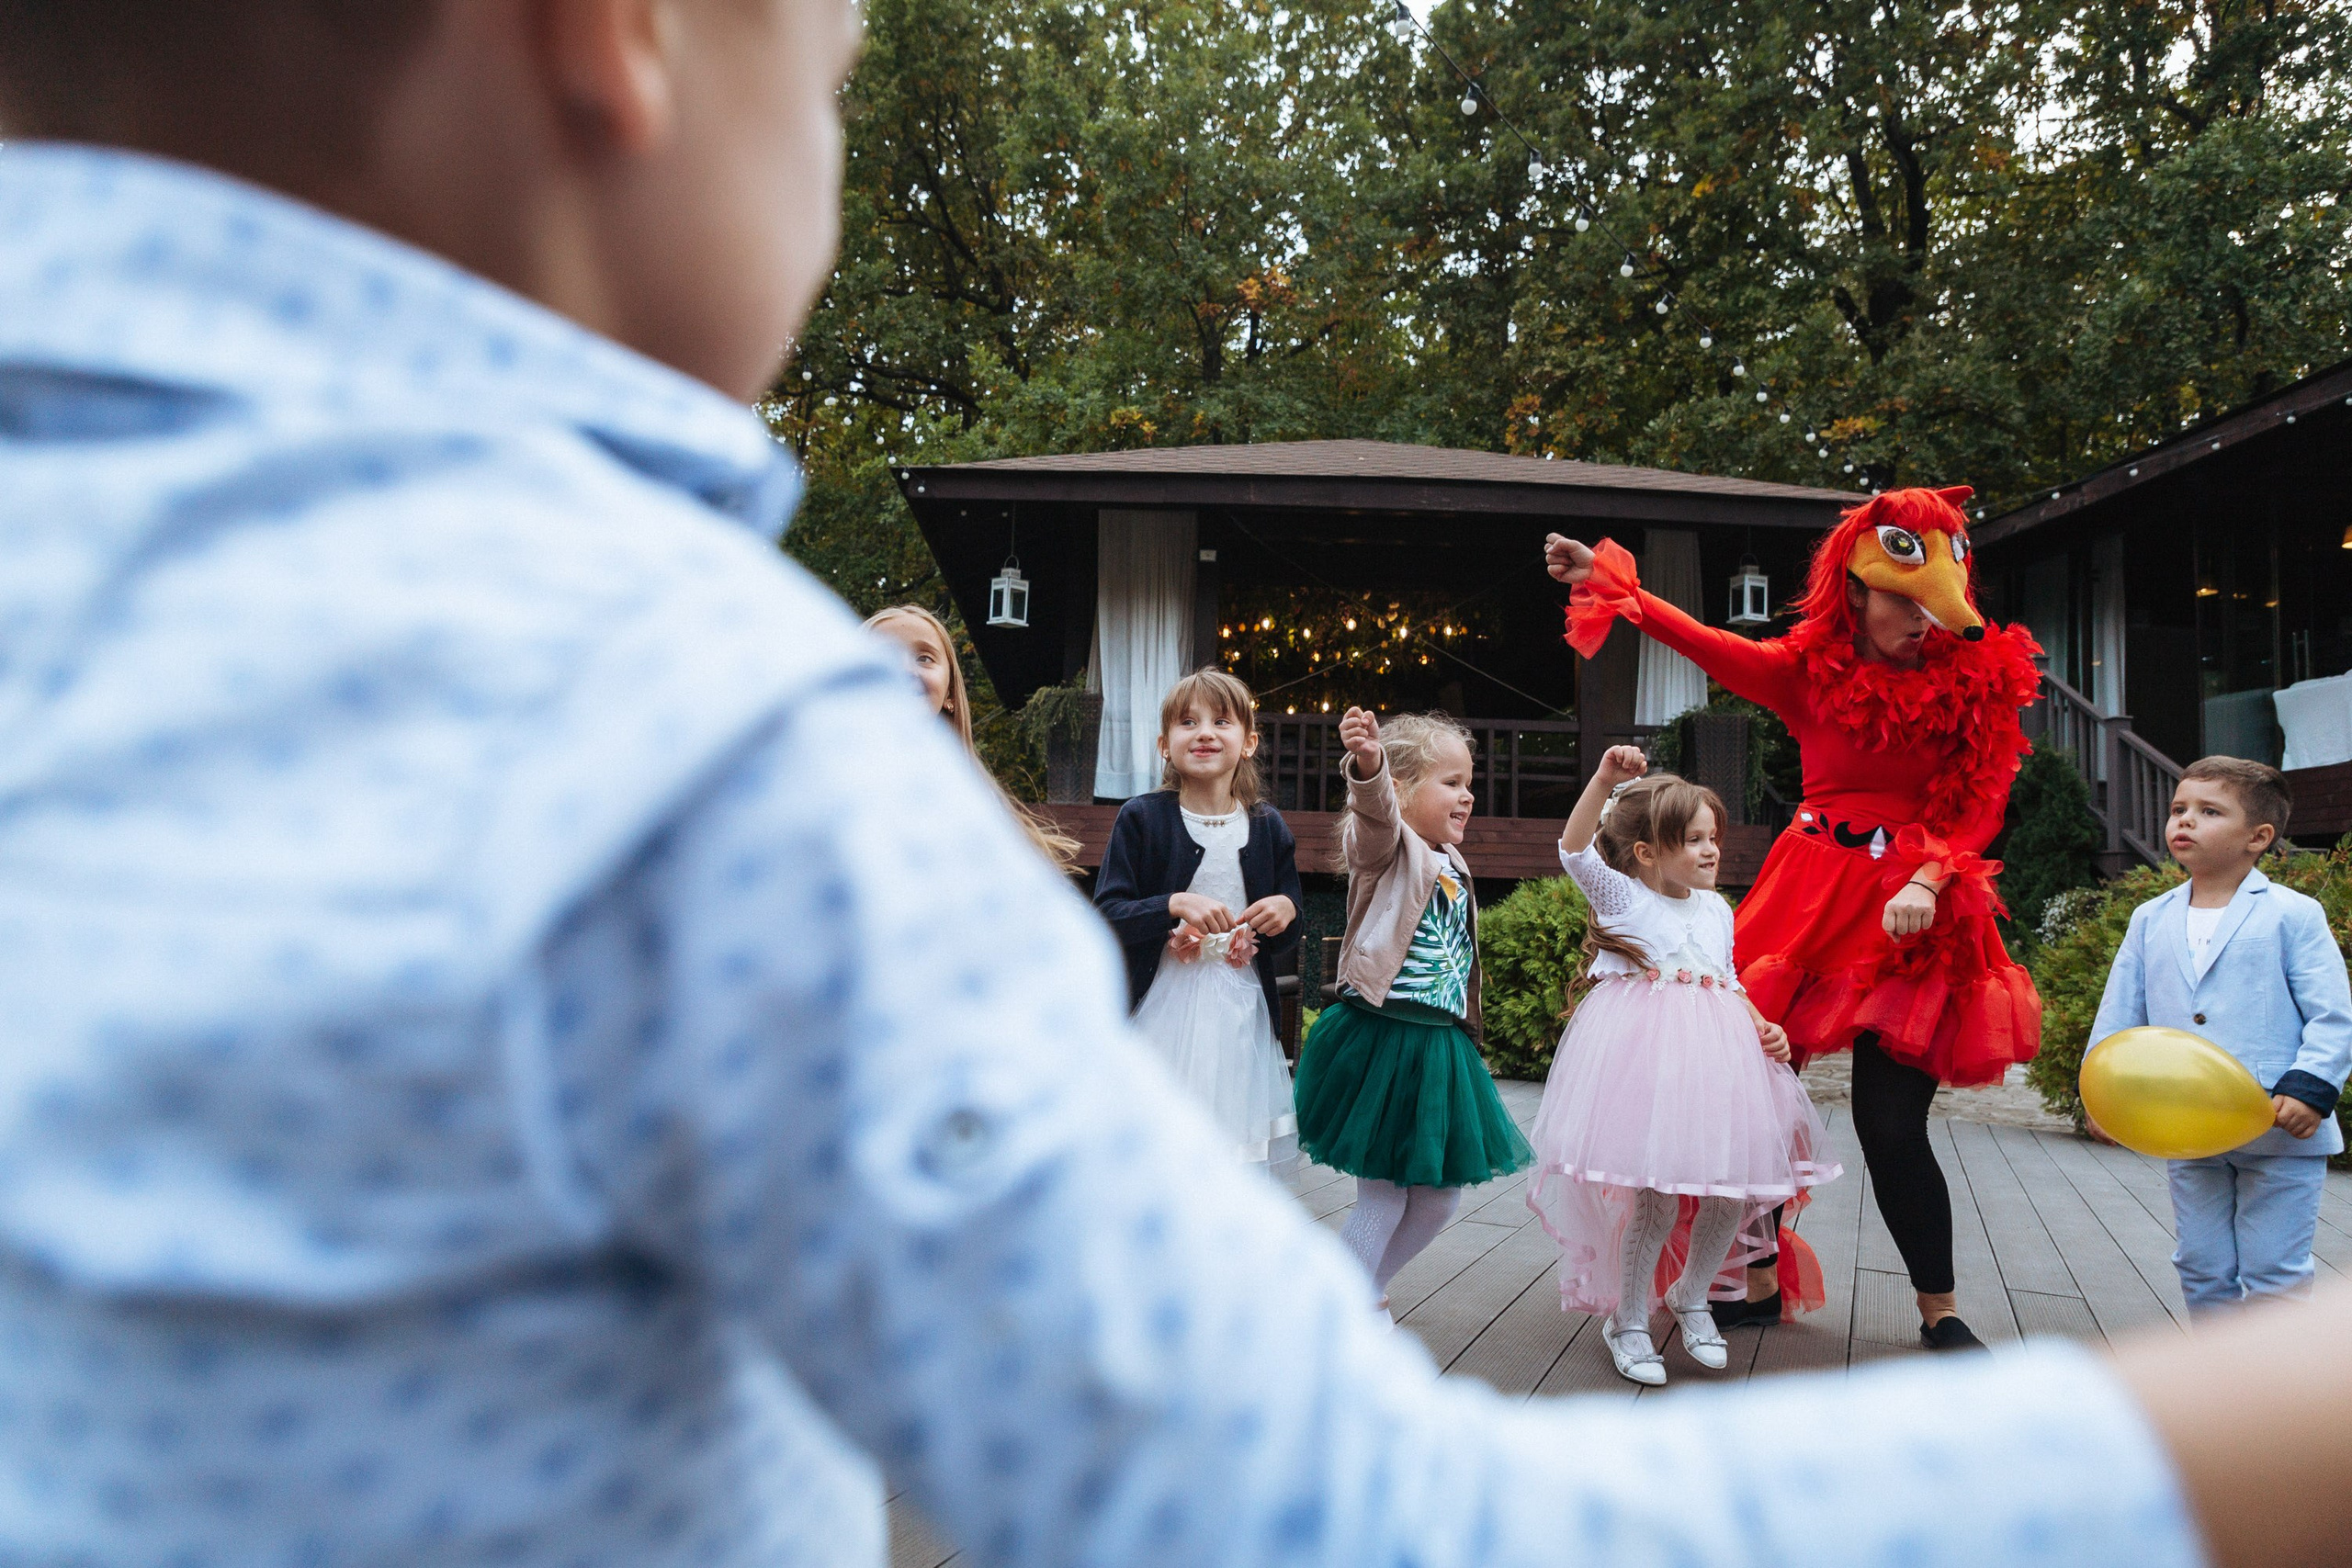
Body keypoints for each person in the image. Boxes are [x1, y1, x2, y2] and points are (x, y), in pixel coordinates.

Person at [0, 6, 2347, 1567]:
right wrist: (2261, 1433)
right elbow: (1316, 1507)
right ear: (614, 42)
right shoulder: (658, 720)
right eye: (821, 72)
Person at [1546, 490, 2040, 1350]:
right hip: (1806, 902)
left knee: (1892, 1123)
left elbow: (1982, 807)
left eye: (1935, 604)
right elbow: (1711, 644)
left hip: (1915, 911)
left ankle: (1940, 1308)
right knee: (1753, 1101)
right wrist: (1618, 587)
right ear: (1855, 591)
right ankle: (1756, 1276)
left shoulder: (1981, 687)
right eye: (1902, 600)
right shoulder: (1810, 670)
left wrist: (1927, 876)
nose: (1922, 622)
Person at [1529, 747, 1839, 1385]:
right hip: (1649, 1068)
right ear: (1647, 851)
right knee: (1660, 1198)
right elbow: (1573, 850)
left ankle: (1692, 1294)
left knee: (1731, 1188)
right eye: (1692, 839)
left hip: (1720, 1062)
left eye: (1712, 838)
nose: (1709, 850)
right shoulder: (1626, 898)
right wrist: (1604, 779)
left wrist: (1765, 1028)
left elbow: (1726, 981)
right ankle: (1629, 1319)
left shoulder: (1718, 910)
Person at [2089, 758, 2352, 1317]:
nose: (2185, 821)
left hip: (2279, 1125)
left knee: (2274, 1270)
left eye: (2209, 812)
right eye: (2179, 810)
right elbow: (2120, 1011)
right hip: (2188, 1127)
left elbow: (2332, 1013)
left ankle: (2274, 1392)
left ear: (2258, 837)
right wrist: (2101, 1093)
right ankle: (2220, 1384)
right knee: (2200, 1262)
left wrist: (2311, 1087)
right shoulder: (2149, 918)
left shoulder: (2293, 915)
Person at [1292, 708, 1532, 1314]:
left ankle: (1363, 1290)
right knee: (1383, 1198)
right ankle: (1337, 1315)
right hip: (1384, 1038)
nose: (1467, 794)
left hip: (1438, 1045)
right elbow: (1373, 814)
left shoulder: (1456, 864)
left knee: (1437, 1200)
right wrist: (1370, 766)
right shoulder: (1388, 848)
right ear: (1402, 790)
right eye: (1449, 781)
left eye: (1468, 782)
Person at [1092, 670, 1303, 1174]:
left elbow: (1289, 919)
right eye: (1188, 722)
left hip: (1241, 1016)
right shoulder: (1142, 818)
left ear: (1248, 742)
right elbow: (1107, 914)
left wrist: (1287, 909)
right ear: (1165, 745)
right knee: (1157, 1154)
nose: (1205, 732)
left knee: (1232, 1157)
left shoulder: (1267, 825)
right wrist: (1172, 903)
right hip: (1159, 1010)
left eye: (1221, 721)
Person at [865, 603, 1080, 872]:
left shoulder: (976, 801)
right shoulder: (824, 782)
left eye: (924, 658)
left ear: (951, 693)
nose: (906, 669)